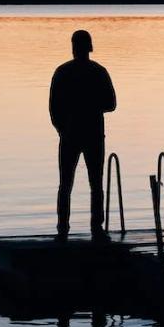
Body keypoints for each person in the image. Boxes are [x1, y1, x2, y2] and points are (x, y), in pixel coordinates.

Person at [49, 30, 116, 242]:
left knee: (65, 184)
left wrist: (62, 128)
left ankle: (62, 229)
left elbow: (53, 108)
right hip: (92, 134)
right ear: (90, 47)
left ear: (73, 47)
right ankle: (97, 228)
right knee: (95, 183)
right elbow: (111, 104)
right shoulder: (99, 72)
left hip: (70, 135)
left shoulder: (62, 72)